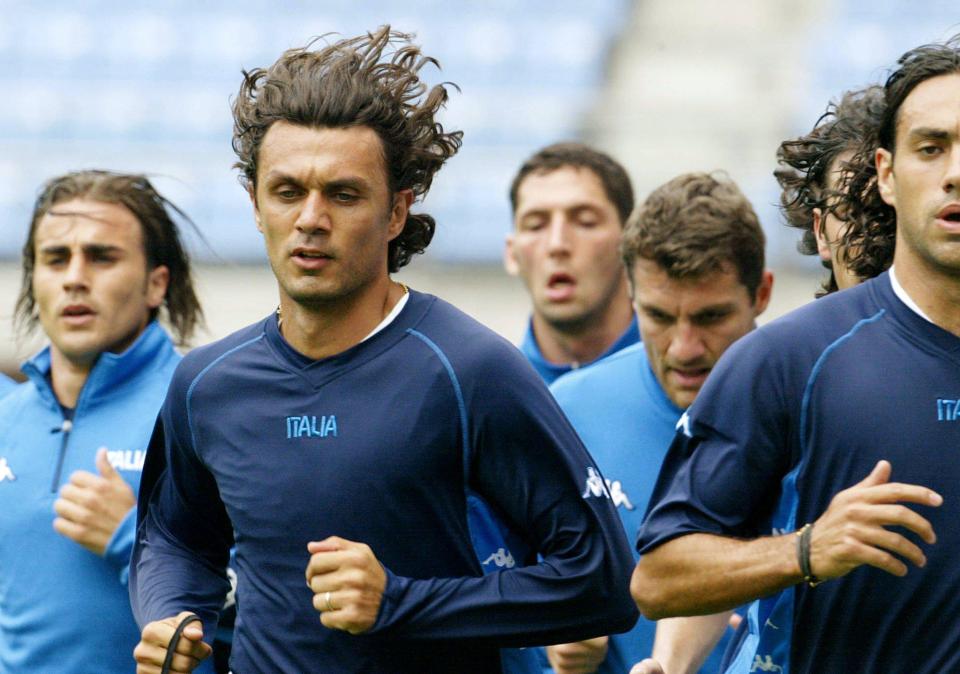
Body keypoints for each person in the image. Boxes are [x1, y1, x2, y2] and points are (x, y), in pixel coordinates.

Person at [130, 28, 638, 674]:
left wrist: (402, 602)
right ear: (256, 206)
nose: (311, 218)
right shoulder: (208, 384)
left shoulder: (468, 370)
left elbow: (602, 579)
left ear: (396, 212)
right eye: (287, 191)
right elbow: (175, 537)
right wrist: (172, 615)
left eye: (343, 194)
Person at [631, 36, 960, 673]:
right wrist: (807, 550)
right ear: (887, 177)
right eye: (931, 147)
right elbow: (659, 578)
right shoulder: (792, 359)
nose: (955, 172)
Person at [545, 173, 772, 674]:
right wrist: (559, 649)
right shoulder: (569, 412)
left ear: (762, 293)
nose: (684, 348)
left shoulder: (812, 406)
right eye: (660, 316)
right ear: (630, 294)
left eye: (711, 317)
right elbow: (529, 588)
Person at [0, 170, 202, 672]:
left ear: (157, 282)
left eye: (101, 256)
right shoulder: (6, 420)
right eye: (55, 259)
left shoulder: (202, 409)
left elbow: (269, 598)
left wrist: (130, 537)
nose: (74, 276)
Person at [505, 142, 639, 384]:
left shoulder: (688, 377)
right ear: (512, 254)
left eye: (585, 221)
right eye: (536, 225)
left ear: (631, 243)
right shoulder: (490, 393)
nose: (557, 244)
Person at [776, 86, 889, 294]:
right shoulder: (797, 328)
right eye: (851, 213)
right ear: (820, 232)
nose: (873, 234)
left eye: (886, 212)